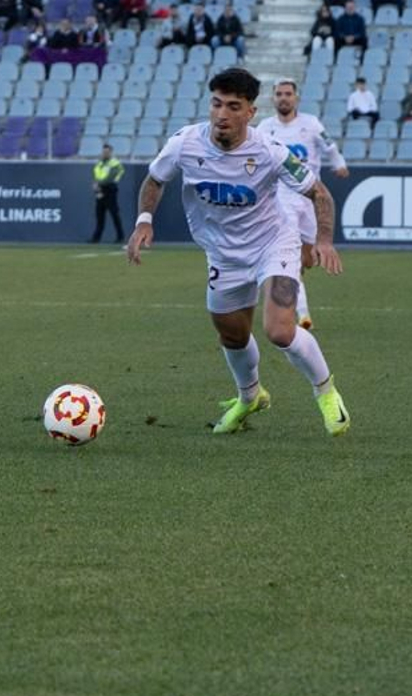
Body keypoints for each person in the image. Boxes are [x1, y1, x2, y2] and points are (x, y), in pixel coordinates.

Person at [125, 68, 349, 437]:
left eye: (233, 106)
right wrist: (144, 220)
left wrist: (323, 240)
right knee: (231, 335)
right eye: (216, 104)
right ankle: (250, 397)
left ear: (250, 112)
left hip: (273, 245)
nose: (221, 115)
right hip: (222, 255)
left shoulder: (269, 151)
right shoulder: (185, 143)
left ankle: (326, 393)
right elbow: (155, 179)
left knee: (279, 330)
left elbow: (319, 193)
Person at [262, 79, 350, 330]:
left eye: (288, 94)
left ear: (296, 98)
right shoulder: (265, 128)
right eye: (279, 94)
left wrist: (339, 164)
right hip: (281, 198)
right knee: (291, 256)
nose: (283, 98)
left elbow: (330, 147)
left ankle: (293, 285)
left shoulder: (311, 124)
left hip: (311, 198)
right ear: (273, 99)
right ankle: (301, 313)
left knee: (309, 258)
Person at [89, 144, 126, 244]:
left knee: (114, 214)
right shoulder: (100, 163)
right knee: (99, 215)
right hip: (100, 190)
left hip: (110, 190)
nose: (105, 153)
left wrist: (98, 184)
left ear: (111, 152)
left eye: (107, 152)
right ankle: (96, 238)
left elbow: (111, 177)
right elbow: (96, 175)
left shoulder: (115, 163)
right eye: (104, 152)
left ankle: (120, 236)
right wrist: (96, 186)